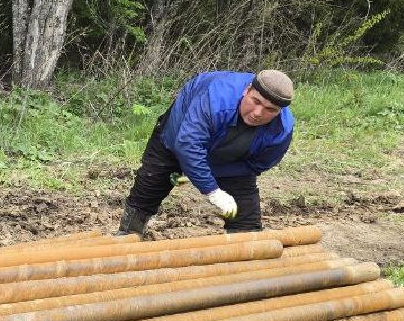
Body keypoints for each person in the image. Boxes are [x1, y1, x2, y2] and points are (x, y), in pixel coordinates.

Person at [118, 69, 295, 237]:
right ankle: (128, 234)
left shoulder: (281, 130)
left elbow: (254, 165)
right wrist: (211, 190)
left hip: (230, 155)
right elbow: (187, 144)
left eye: (270, 109)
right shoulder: (216, 99)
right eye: (256, 101)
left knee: (245, 211)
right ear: (247, 90)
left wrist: (209, 177)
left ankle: (244, 250)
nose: (258, 113)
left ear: (280, 111)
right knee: (152, 181)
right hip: (180, 135)